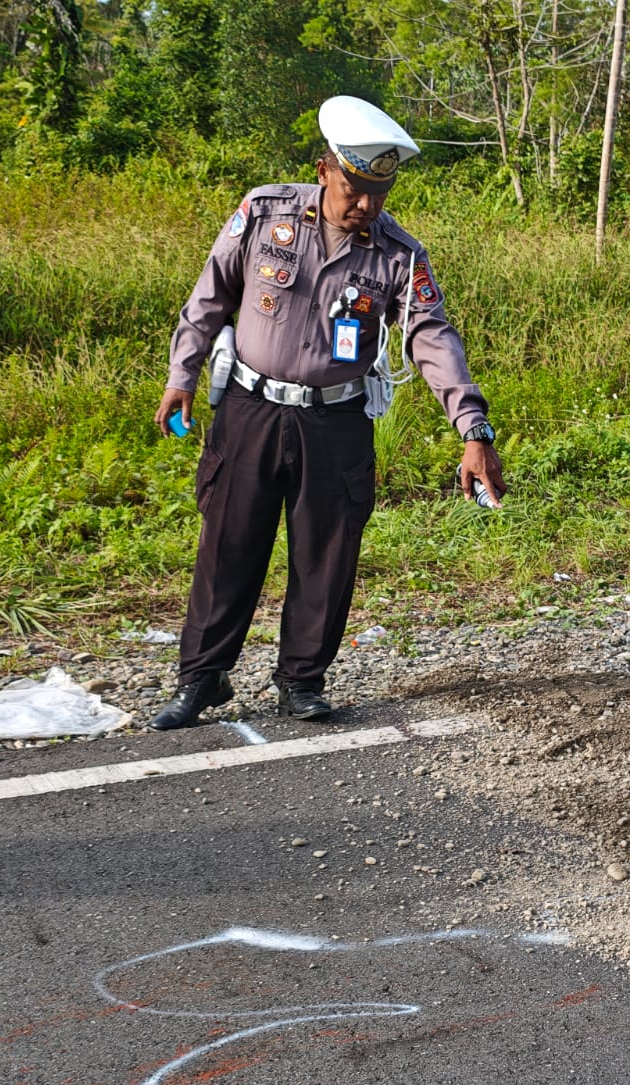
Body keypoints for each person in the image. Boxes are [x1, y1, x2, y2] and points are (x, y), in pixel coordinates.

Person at [148, 95, 505, 731]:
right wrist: (183, 373)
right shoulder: (264, 214)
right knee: (228, 546)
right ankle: (202, 676)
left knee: (326, 555)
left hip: (336, 424)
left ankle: (301, 679)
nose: (367, 204)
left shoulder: (398, 254)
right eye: (356, 188)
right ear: (324, 170)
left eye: (381, 190)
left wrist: (471, 428)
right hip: (251, 411)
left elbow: (432, 337)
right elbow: (210, 295)